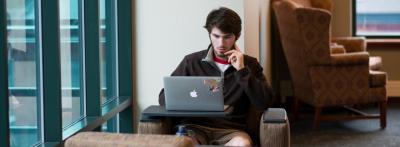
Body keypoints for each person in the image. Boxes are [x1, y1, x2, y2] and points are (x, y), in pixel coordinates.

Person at [158, 7, 274, 146]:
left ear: (237, 36)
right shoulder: (191, 62)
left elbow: (265, 102)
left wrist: (242, 71)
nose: (221, 44)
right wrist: (191, 101)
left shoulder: (250, 64)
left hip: (233, 131)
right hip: (194, 128)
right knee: (184, 143)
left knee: (242, 144)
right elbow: (164, 98)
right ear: (209, 34)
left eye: (227, 37)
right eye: (216, 36)